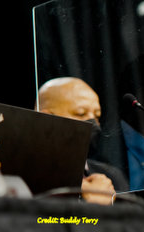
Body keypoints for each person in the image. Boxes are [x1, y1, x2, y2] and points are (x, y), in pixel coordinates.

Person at [38, 77, 129, 205]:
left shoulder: (113, 177)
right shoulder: (27, 175)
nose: (94, 124)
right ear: (46, 118)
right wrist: (95, 206)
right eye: (80, 114)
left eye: (97, 116)